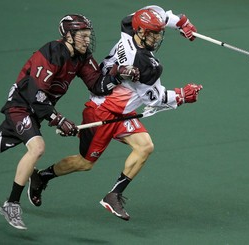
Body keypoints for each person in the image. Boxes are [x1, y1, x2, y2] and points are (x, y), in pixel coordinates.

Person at [0, 14, 140, 229]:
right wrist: (58, 119)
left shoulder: (82, 57)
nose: (87, 39)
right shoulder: (51, 53)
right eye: (81, 35)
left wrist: (119, 74)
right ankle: (11, 203)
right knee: (37, 148)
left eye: (88, 34)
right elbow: (36, 97)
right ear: (68, 36)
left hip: (36, 110)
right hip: (21, 105)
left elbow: (96, 85)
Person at [28, 6, 203, 221]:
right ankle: (41, 177)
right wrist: (182, 95)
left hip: (122, 112)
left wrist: (181, 22)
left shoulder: (128, 27)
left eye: (159, 32)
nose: (157, 37)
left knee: (145, 146)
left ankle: (114, 195)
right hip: (102, 112)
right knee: (85, 163)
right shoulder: (145, 64)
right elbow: (154, 98)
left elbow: (157, 15)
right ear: (141, 32)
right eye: (153, 33)